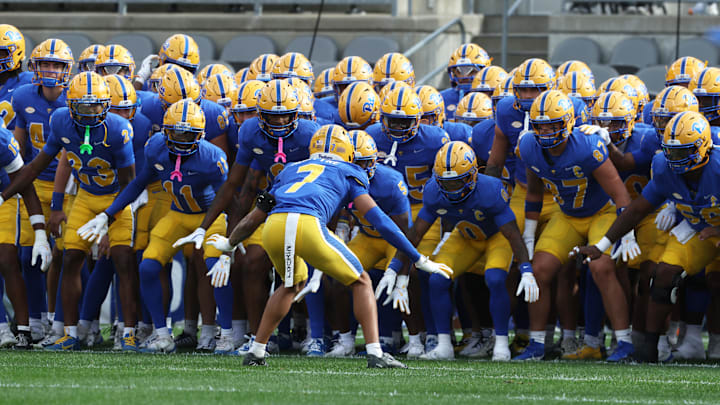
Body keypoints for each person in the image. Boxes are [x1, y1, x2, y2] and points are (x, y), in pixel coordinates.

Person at [203, 124, 451, 368]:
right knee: (361, 281)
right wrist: (417, 257)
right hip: (307, 224)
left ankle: (257, 350)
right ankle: (376, 353)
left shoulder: (291, 168)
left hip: (273, 227)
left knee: (291, 285)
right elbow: (379, 220)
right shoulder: (348, 171)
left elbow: (256, 214)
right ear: (348, 153)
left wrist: (229, 242)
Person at [573, 110, 720, 362]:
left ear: (703, 147)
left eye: (683, 151)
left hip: (713, 228)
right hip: (699, 230)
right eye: (672, 151)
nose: (675, 158)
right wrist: (602, 245)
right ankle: (651, 350)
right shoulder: (664, 167)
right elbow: (638, 209)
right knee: (663, 274)